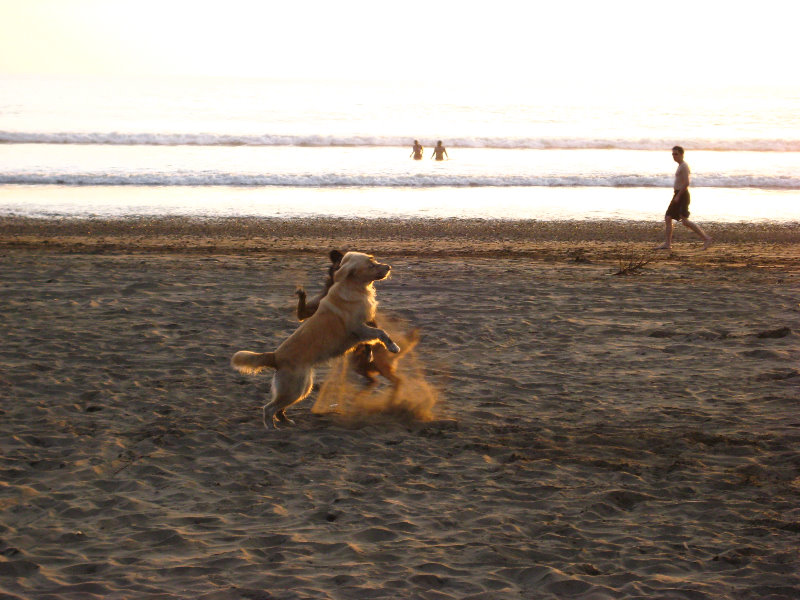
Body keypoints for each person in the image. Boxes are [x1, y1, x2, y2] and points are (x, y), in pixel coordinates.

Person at [656, 146, 712, 250]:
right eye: (673, 154)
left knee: (684, 221)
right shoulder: (680, 165)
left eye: (676, 154)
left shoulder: (684, 166)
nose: (674, 156)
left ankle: (706, 238)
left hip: (682, 195)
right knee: (668, 217)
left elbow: (686, 183)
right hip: (677, 194)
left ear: (682, 154)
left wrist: (678, 195)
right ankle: (667, 244)